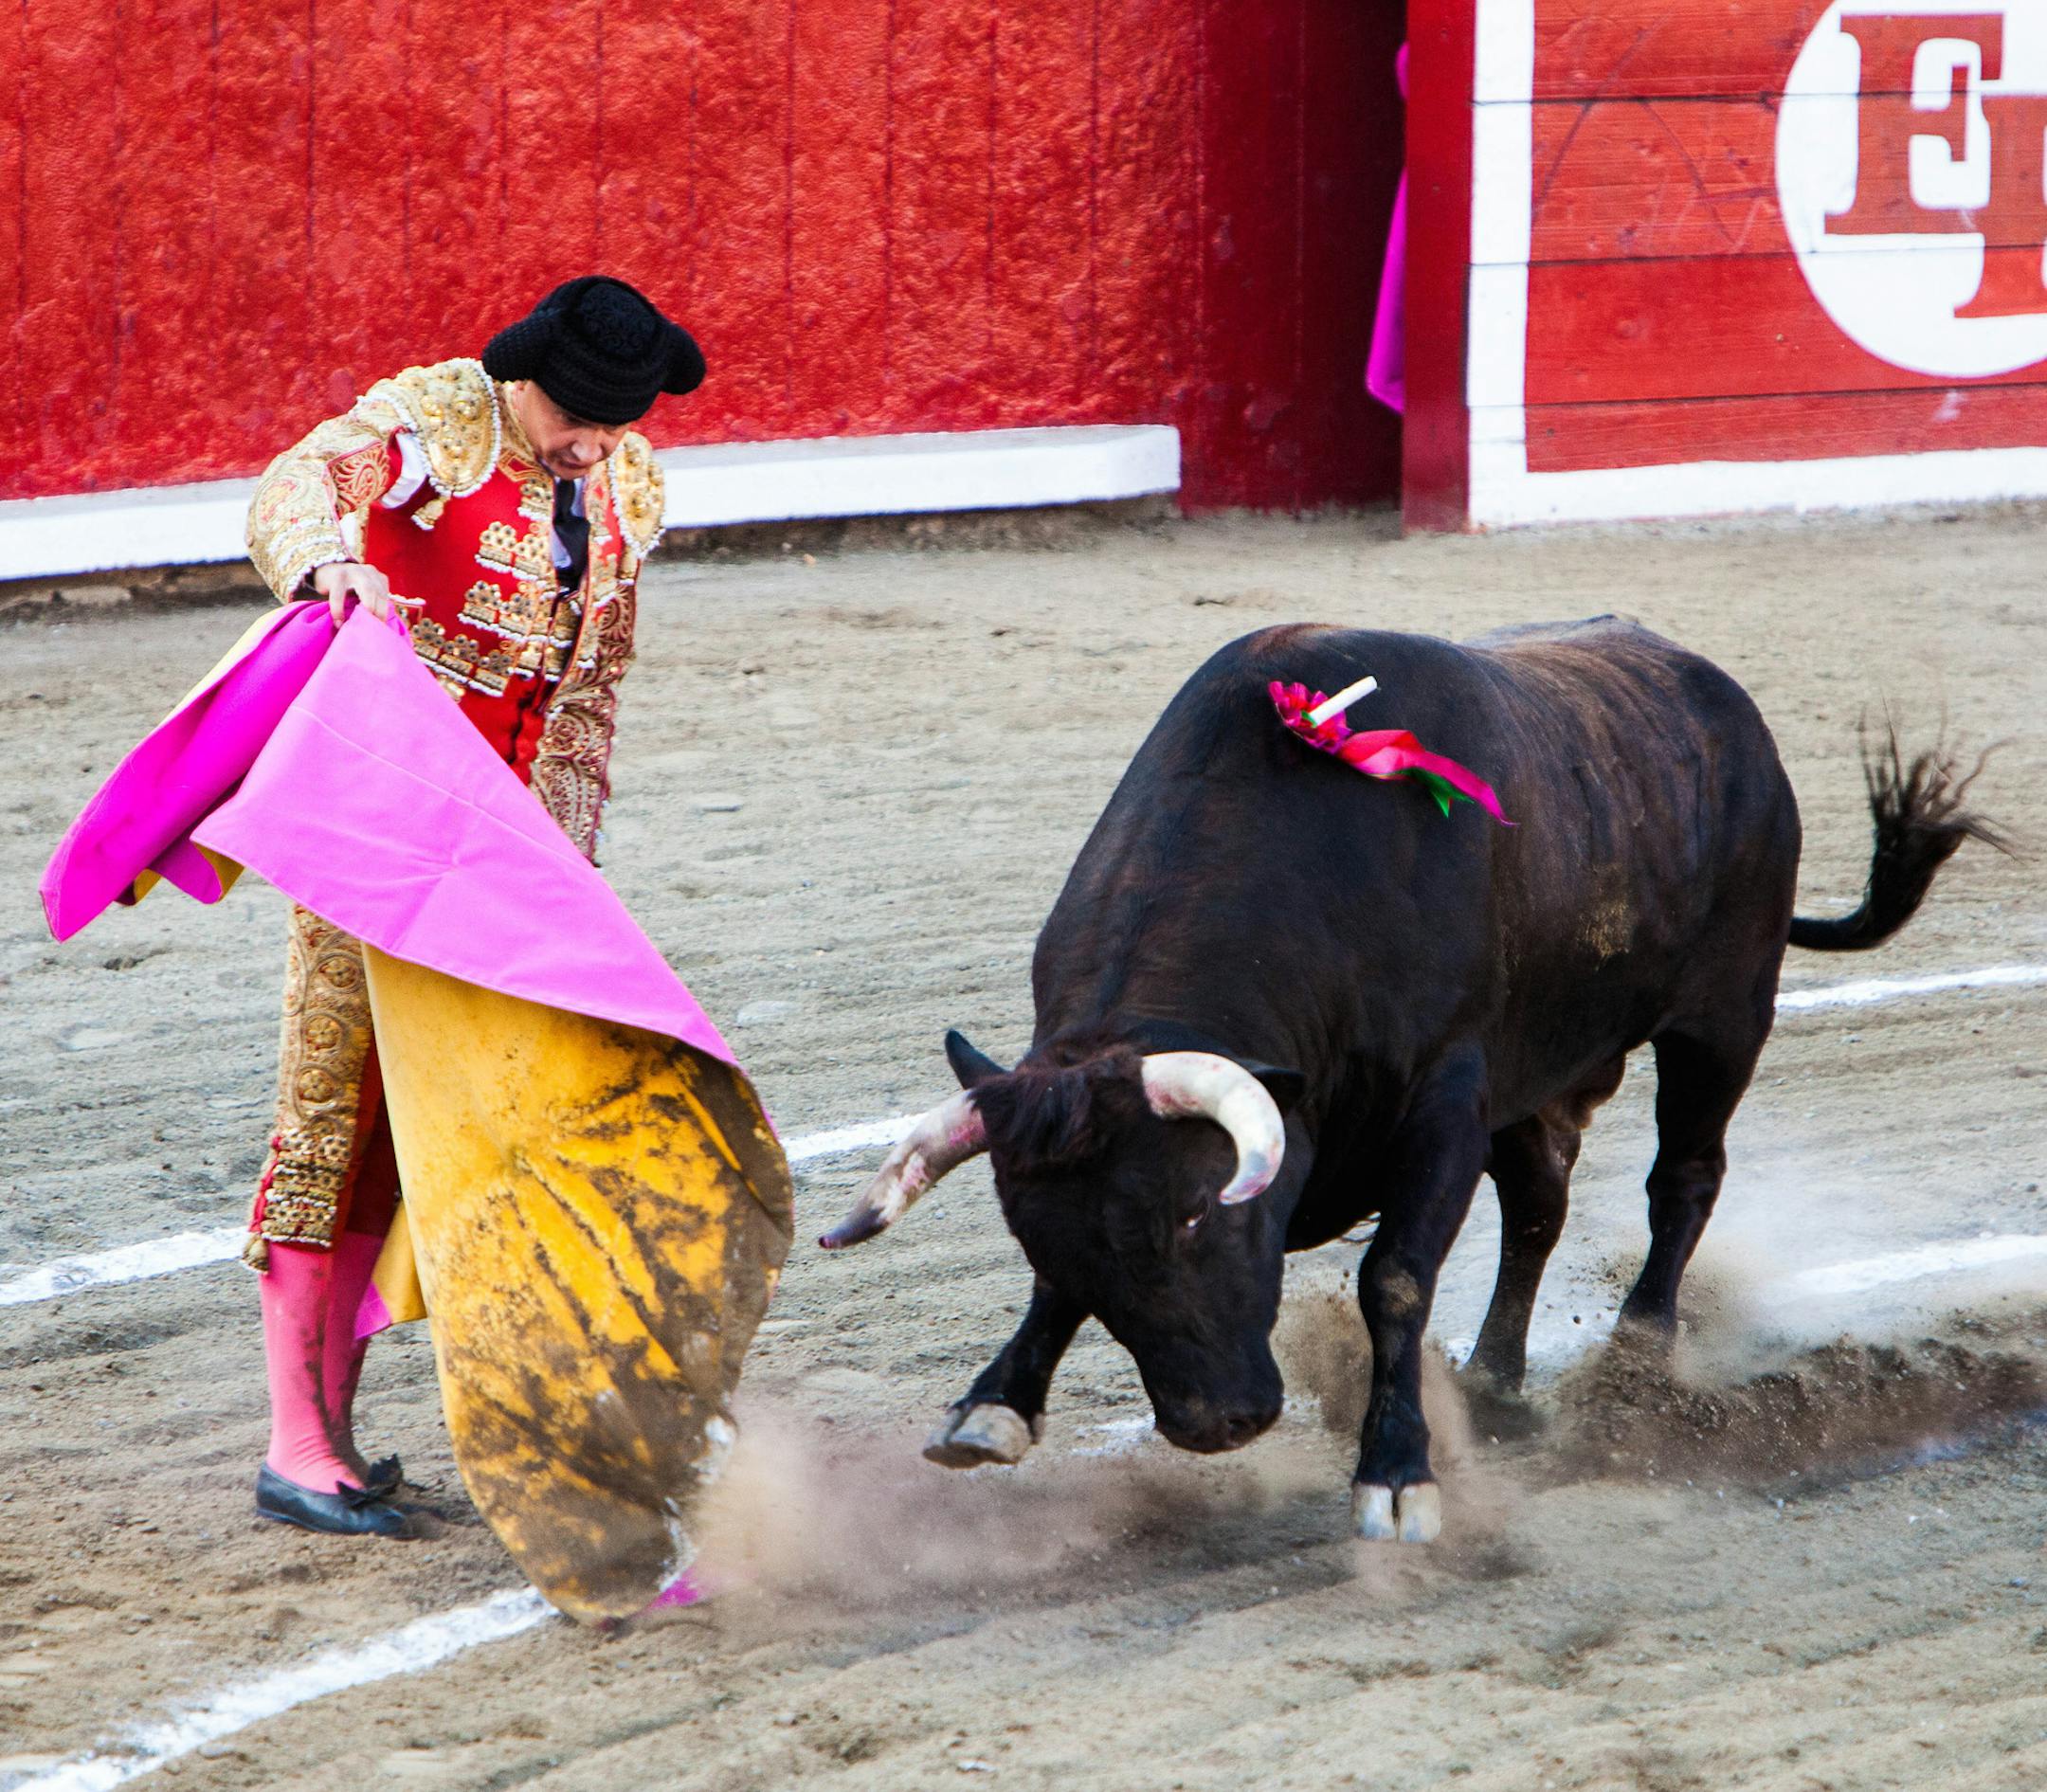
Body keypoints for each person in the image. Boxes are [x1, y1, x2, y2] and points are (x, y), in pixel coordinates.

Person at [240, 275, 706, 1538]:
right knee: (339, 1111)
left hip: (506, 856)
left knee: (462, 1134)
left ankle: (343, 1427)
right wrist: (331, 569)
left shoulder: (626, 484)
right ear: (523, 379)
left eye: (617, 423)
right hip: (376, 826)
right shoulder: (438, 426)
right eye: (577, 418)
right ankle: (299, 1445)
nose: (595, 442)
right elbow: (294, 484)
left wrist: (567, 876)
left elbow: (589, 697)